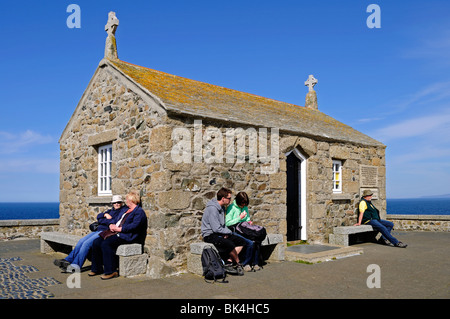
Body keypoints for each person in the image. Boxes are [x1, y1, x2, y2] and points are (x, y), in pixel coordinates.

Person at [53, 195, 128, 273]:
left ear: (121, 203)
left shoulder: (122, 212)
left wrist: (105, 221)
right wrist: (104, 215)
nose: (117, 204)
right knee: (81, 241)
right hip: (98, 230)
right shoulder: (110, 211)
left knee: (86, 244)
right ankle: (67, 260)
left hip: (105, 232)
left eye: (118, 202)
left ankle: (75, 266)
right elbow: (99, 217)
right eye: (115, 202)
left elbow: (114, 222)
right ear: (112, 203)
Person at [89, 191, 148, 279]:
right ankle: (97, 268)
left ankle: (111, 271)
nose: (126, 201)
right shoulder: (126, 210)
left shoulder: (139, 212)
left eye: (127, 199)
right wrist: (112, 225)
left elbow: (134, 226)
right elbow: (117, 219)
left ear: (132, 200)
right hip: (116, 232)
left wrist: (119, 229)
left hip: (127, 236)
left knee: (106, 244)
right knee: (96, 242)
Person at [201, 187, 247, 275]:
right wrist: (227, 232)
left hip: (219, 233)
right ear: (223, 199)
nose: (230, 200)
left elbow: (222, 225)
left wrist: (225, 233)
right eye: (229, 198)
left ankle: (228, 262)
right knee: (229, 244)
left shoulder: (222, 208)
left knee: (241, 241)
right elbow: (215, 228)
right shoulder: (213, 209)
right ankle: (238, 263)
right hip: (209, 235)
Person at [226, 192, 261, 272]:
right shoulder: (231, 208)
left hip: (244, 229)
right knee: (249, 243)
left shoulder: (245, 207)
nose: (243, 206)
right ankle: (246, 263)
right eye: (242, 204)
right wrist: (239, 218)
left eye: (245, 204)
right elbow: (227, 223)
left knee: (256, 240)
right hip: (235, 230)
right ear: (238, 202)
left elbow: (247, 218)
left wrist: (249, 222)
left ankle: (255, 263)